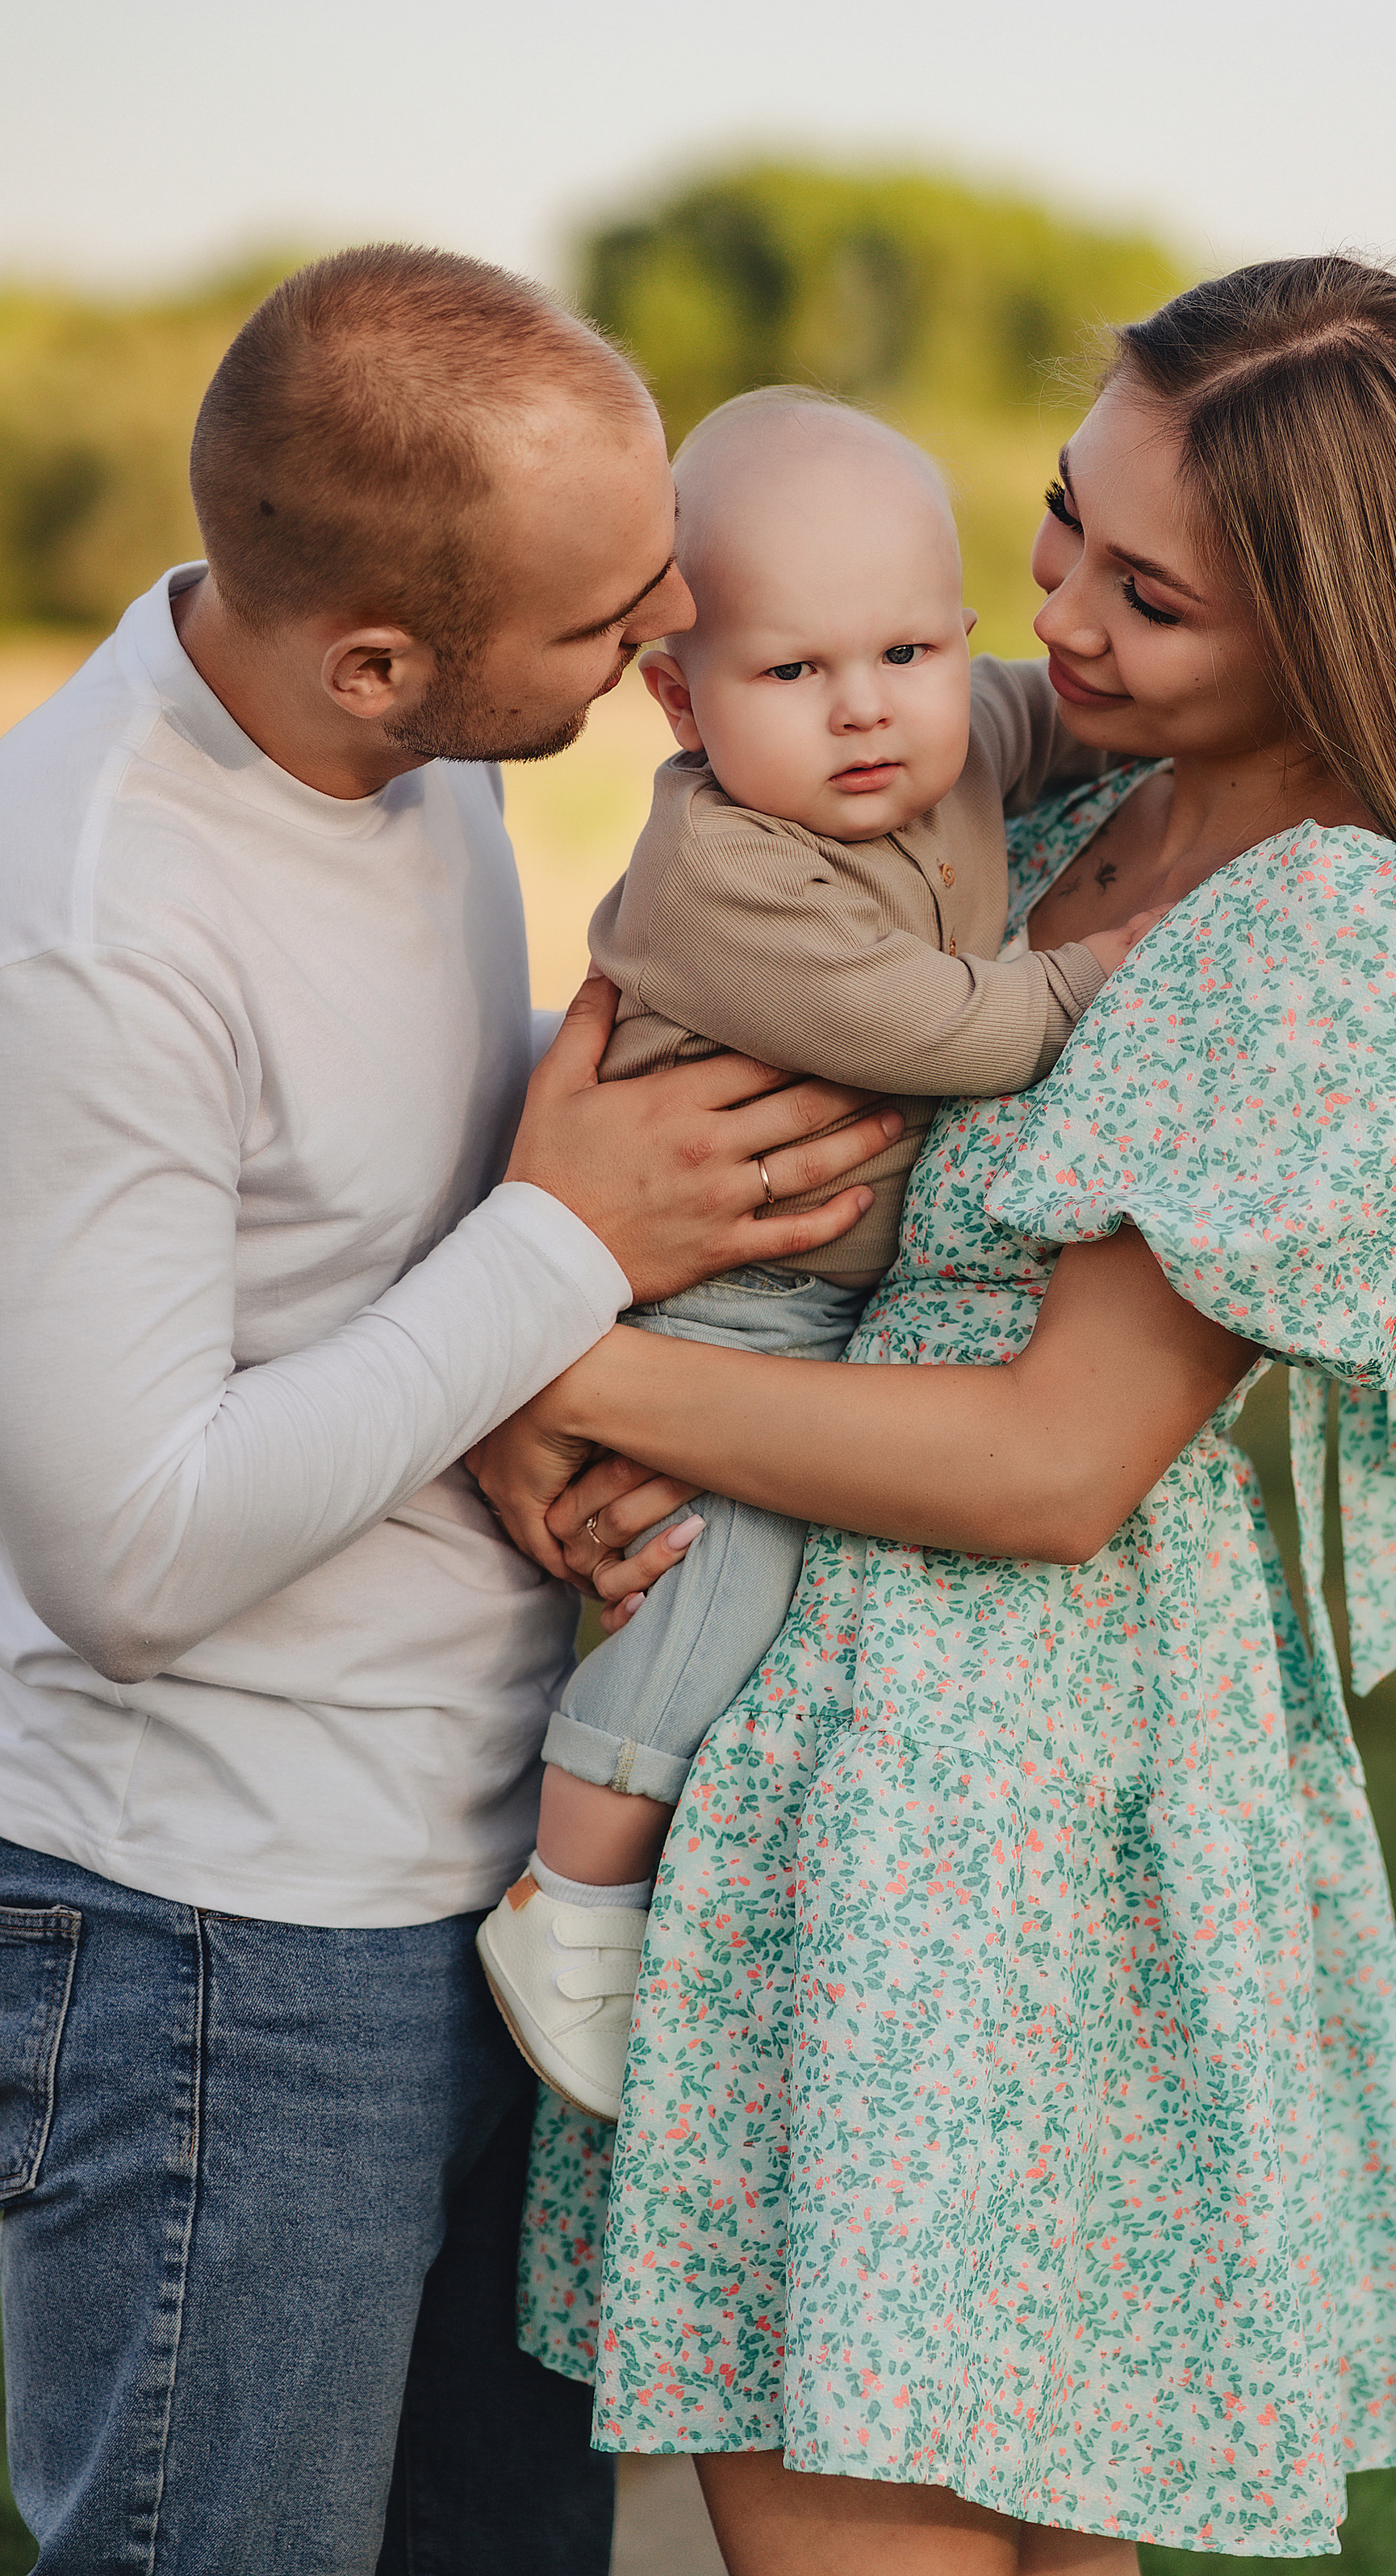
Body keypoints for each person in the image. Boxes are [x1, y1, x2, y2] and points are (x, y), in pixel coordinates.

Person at [472, 257, 1396, 2572]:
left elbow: (1059, 1464)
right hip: (856, 1805)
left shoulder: (1330, 931)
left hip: (1008, 1857)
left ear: (1331, 630)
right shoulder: (1057, 823)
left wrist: (543, 1346)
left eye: (1145, 592)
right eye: (1063, 520)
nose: (1052, 608)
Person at [0, 246, 901, 2576]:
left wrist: (537, 1355)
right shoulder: (93, 929)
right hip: (213, 1933)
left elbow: (374, 1248)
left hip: (484, 1884)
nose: (666, 646)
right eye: (604, 622)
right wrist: (568, 1253)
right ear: (376, 656)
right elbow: (123, 1556)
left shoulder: (412, 765)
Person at [479, 386, 1149, 2118]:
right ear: (676, 696)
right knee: (721, 1562)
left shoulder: (941, 737)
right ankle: (575, 1885)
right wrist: (1102, 965)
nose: (864, 708)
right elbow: (951, 1028)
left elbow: (1067, 730)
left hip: (803, 1274)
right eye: (790, 672)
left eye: (909, 650)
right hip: (718, 1278)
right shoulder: (725, 865)